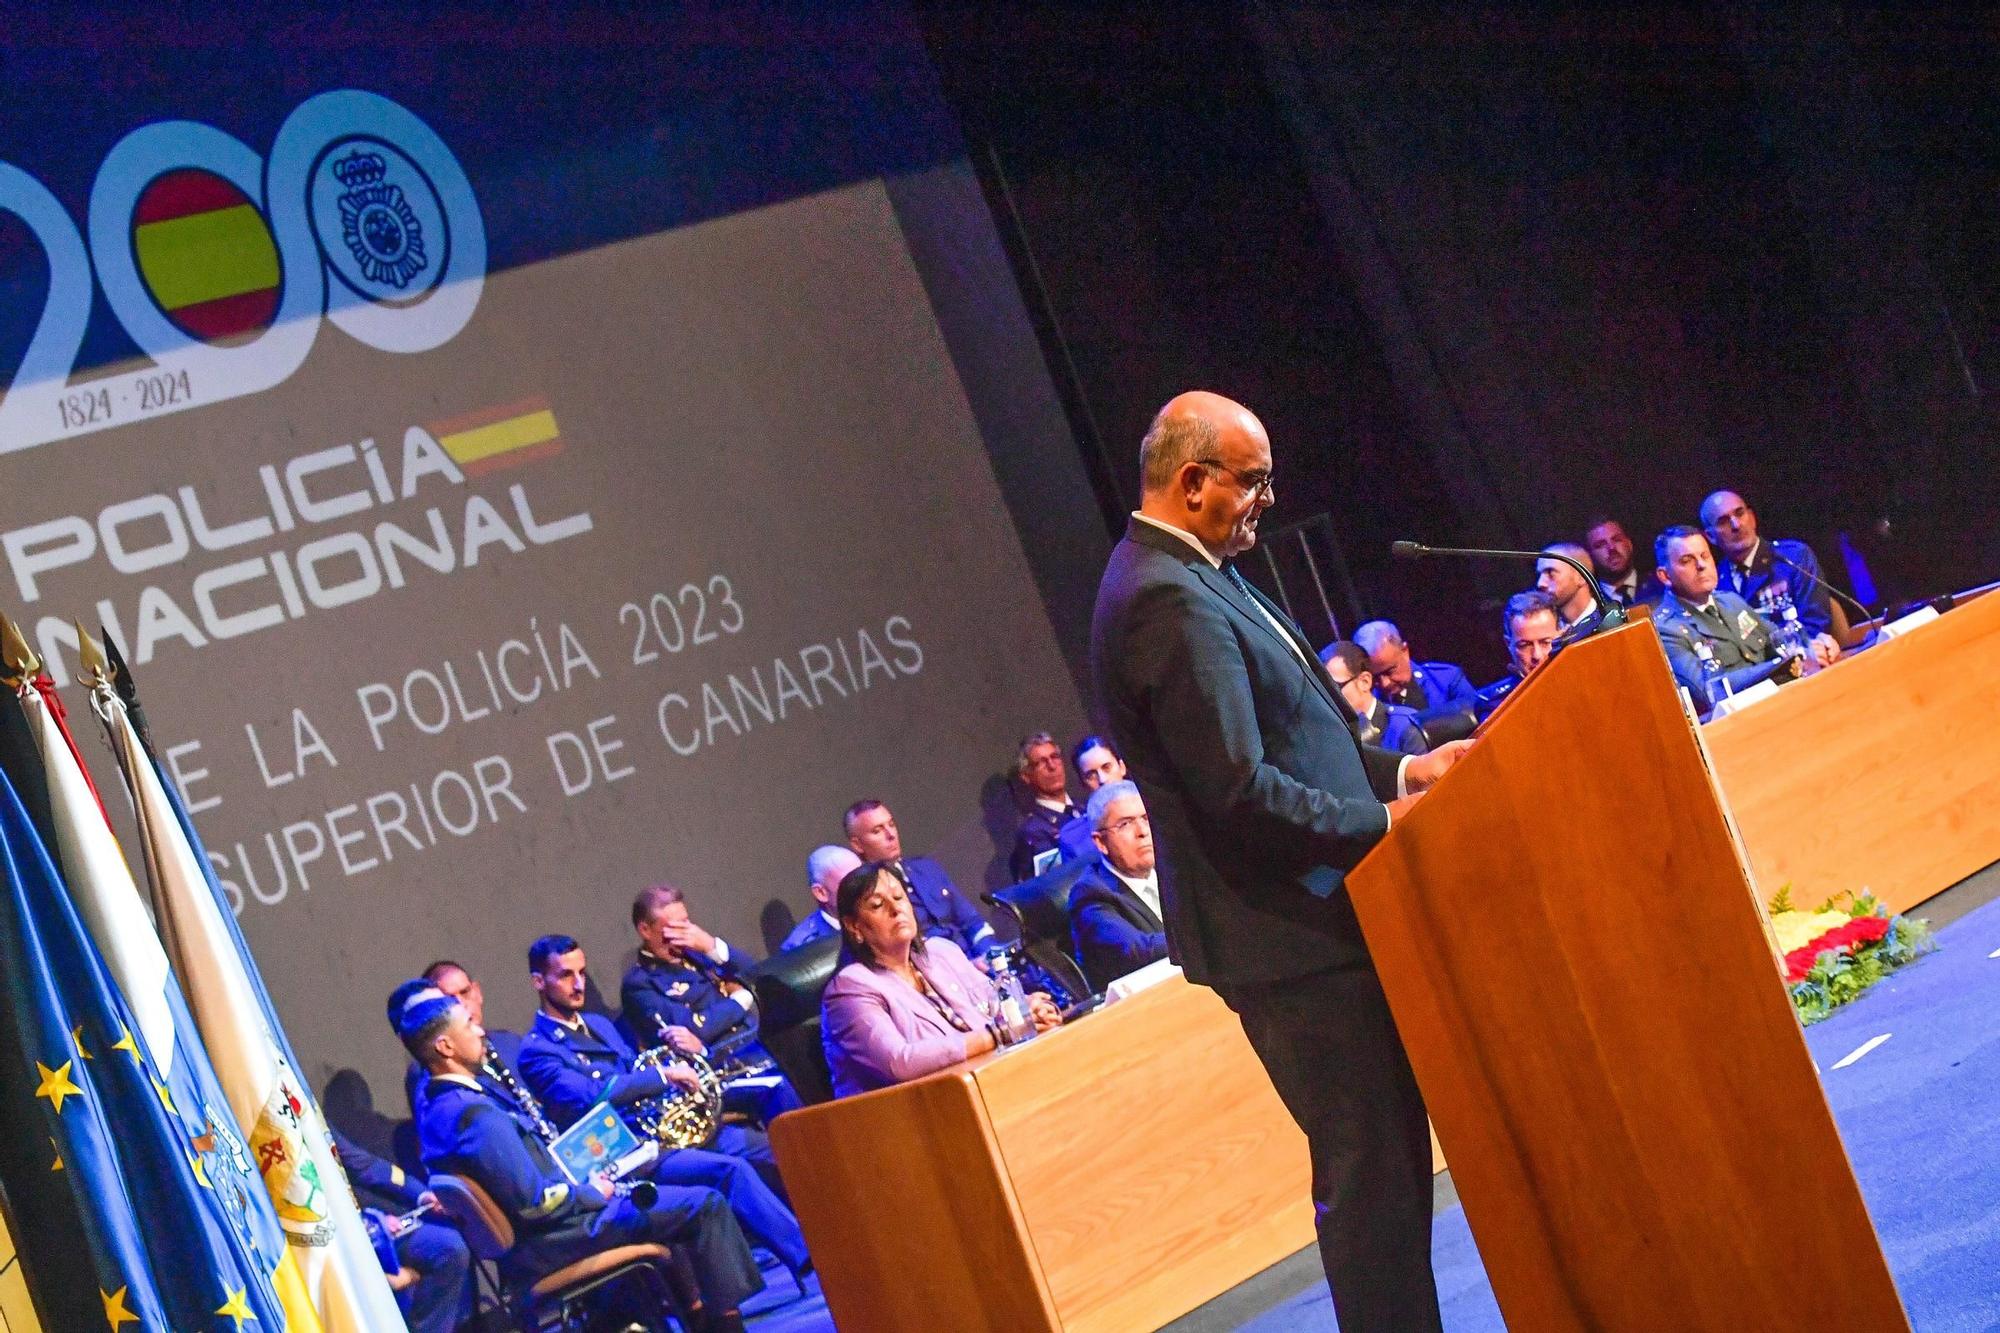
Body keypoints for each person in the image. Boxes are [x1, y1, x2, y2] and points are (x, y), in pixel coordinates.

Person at [1090, 390, 1472, 1329]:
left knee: (1380, 1160)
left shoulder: (1194, 568)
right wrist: (1385, 821)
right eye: (1253, 481)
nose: (1266, 498)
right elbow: (1241, 790)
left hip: (1309, 920)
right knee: (1369, 1169)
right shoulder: (1161, 599)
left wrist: (1409, 768)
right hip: (1286, 935)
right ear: (1192, 482)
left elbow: (1305, 742)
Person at [402, 989, 761, 1333]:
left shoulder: (439, 1107)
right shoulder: (475, 1115)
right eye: (468, 1025)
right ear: (445, 1045)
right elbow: (537, 1203)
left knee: (667, 1194)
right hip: (556, 1239)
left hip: (541, 1240)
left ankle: (694, 1318)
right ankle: (725, 1327)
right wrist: (594, 1191)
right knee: (703, 1204)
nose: (480, 1031)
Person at [516, 936, 813, 1284]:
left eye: (582, 972)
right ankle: (811, 1259)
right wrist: (663, 1075)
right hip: (625, 1156)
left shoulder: (599, 1025)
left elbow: (635, 1070)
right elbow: (594, 1095)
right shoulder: (537, 1051)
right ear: (539, 981)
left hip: (665, 1134)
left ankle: (836, 1229)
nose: (579, 984)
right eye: (566, 975)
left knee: (770, 1147)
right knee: (730, 1171)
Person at [820, 861, 1061, 1096]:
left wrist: (1030, 1011)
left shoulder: (940, 952)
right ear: (854, 927)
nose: (896, 910)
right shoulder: (849, 989)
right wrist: (998, 1034)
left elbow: (997, 1005)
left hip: (987, 1080)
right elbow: (900, 1062)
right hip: (917, 1113)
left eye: (899, 897)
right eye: (877, 905)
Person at [620, 884, 801, 1125]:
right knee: (781, 1088)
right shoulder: (640, 984)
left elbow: (760, 977)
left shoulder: (696, 953)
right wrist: (742, 999)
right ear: (645, 929)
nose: (681, 935)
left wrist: (711, 946)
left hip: (758, 1048)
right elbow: (691, 1030)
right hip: (717, 1073)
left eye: (685, 924)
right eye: (671, 928)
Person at [1651, 525, 1836, 713]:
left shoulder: (1730, 601)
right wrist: (1782, 665)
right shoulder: (1666, 630)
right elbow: (1709, 691)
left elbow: (1777, 639)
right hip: (1736, 723)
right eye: (1687, 560)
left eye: (1705, 555)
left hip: (1782, 702)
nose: (1701, 565)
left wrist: (1811, 645)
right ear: (1665, 576)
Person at [332, 1123, 471, 1333]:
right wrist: (366, 1223)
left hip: (363, 1229)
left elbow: (365, 1165)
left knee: (448, 1247)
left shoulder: (307, 1112)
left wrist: (421, 1195)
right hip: (331, 1240)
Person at [842, 799, 996, 955]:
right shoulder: (867, 895)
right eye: (877, 831)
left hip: (976, 961)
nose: (891, 835)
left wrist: (989, 955)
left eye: (891, 824)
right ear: (857, 845)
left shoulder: (927, 868)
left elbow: (971, 921)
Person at [1067, 780, 1169, 990]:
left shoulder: (1172, 868)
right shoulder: (1091, 894)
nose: (1142, 831)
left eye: (1145, 818)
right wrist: (1202, 932)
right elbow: (1137, 951)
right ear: (1100, 842)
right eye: (1125, 824)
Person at [1699, 489, 1840, 641]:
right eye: (1723, 521)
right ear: (1711, 536)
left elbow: (1815, 622)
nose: (1736, 525)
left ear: (1752, 518)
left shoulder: (1793, 557)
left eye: (1740, 513)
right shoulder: (1715, 583)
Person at [1353, 619, 1478, 740]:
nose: (1384, 683)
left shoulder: (1446, 679)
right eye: (1375, 677)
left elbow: (1481, 723)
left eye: (1390, 671)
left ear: (1405, 651)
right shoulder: (1368, 707)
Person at [1318, 641, 1430, 755]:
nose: (1328, 698)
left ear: (1365, 682)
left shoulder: (1404, 727)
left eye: (1335, 687)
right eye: (1323, 691)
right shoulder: (1328, 737)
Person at [1008, 731, 1083, 880]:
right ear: (1026, 776)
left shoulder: (1086, 808)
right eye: (1041, 762)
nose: (1052, 766)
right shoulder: (1033, 831)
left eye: (1055, 757)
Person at [1474, 590, 1561, 718]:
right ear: (1508, 643)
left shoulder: (1583, 678)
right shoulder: (1494, 704)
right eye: (1524, 645)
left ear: (1562, 635)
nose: (1537, 655)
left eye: (1545, 642)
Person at [778, 846, 861, 952]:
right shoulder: (801, 948)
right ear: (821, 893)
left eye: (864, 878)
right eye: (851, 882)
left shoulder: (882, 914)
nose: (863, 888)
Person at [1583, 516, 1657, 609]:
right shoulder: (1589, 604)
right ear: (1589, 555)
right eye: (1601, 545)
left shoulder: (1660, 585)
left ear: (1629, 544)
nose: (1611, 548)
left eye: (1617, 540)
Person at [1536, 541, 1602, 637]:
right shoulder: (1544, 634)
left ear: (1581, 576)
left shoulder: (1610, 622)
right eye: (1539, 575)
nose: (1540, 583)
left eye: (1550, 573)